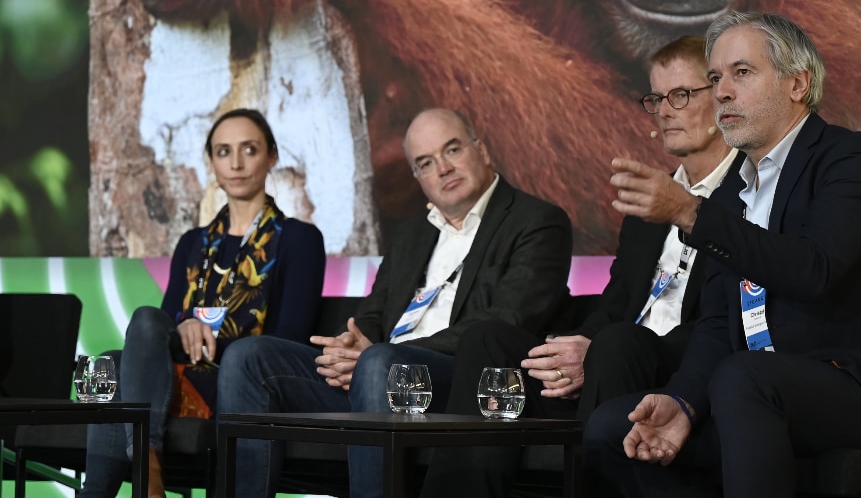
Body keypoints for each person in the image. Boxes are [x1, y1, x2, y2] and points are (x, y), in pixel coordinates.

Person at [586, 12, 861, 498]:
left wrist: (693, 214)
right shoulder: (733, 192)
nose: (722, 93)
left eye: (742, 73)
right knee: (612, 428)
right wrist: (683, 403)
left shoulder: (852, 159)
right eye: (715, 78)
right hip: (759, 392)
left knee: (743, 377)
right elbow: (717, 322)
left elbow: (813, 269)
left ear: (798, 83)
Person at [420, 36, 737, 498]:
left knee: (617, 342)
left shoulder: (748, 196)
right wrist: (577, 352)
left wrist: (601, 348)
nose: (665, 111)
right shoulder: (648, 200)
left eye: (681, 95)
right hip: (613, 357)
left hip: (676, 366)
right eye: (655, 99)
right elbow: (615, 302)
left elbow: (724, 321)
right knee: (487, 339)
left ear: (720, 95)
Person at [217, 107, 575, 498]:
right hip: (377, 375)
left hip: (459, 382)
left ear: (482, 150)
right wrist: (352, 344)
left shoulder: (537, 221)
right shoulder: (411, 235)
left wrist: (381, 354)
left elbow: (508, 320)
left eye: (452, 150)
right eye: (426, 163)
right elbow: (373, 312)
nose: (442, 168)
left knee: (380, 364)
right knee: (248, 357)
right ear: (418, 178)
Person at [79, 108, 326, 498]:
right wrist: (182, 328)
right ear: (211, 162)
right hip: (173, 378)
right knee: (126, 344)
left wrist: (205, 337)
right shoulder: (193, 242)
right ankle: (147, 468)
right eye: (224, 152)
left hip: (240, 381)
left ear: (272, 157)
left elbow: (290, 339)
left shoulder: (300, 239)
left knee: (124, 367)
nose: (237, 163)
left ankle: (142, 475)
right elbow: (157, 329)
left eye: (250, 149)